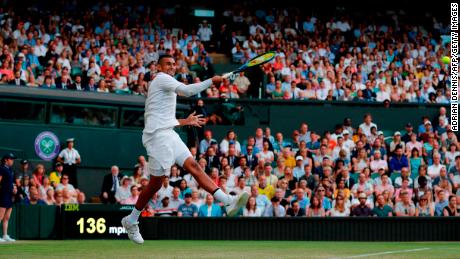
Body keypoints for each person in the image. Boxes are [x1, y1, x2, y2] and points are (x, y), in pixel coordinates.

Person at [122, 54, 249, 244]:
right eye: (168, 64)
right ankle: (131, 220)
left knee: (195, 166)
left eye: (174, 64)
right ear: (158, 66)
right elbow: (188, 91)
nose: (172, 66)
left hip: (169, 133)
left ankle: (227, 201)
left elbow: (161, 117)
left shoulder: (165, 82)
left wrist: (184, 121)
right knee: (156, 183)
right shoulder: (162, 78)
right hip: (157, 138)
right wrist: (212, 81)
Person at [0, 153, 16, 242]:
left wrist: (14, 189)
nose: (12, 161)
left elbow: (10, 182)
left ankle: (5, 235)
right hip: (3, 195)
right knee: (0, 216)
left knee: (7, 217)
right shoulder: (1, 168)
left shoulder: (10, 169)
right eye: (11, 159)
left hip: (10, 195)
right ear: (6, 160)